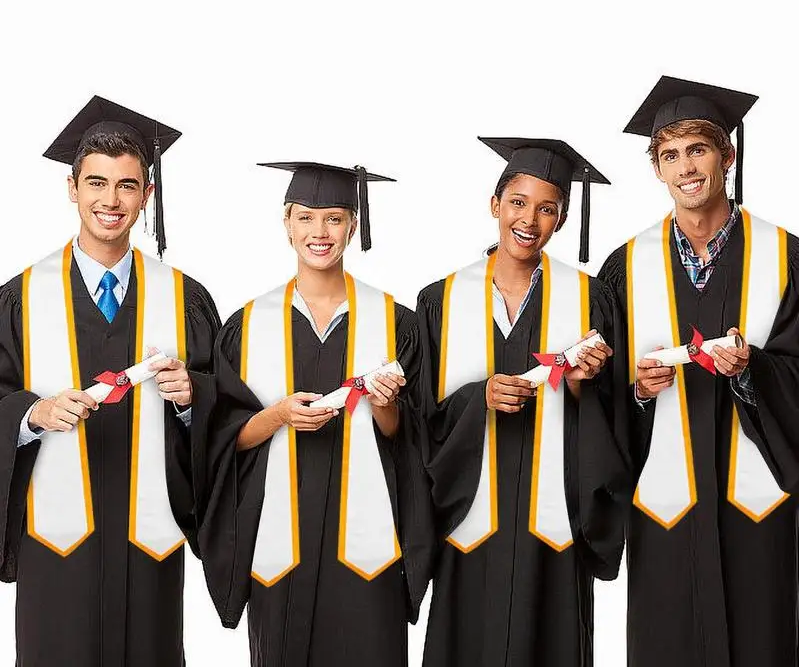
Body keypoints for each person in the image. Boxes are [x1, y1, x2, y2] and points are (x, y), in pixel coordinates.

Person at [0, 96, 220, 667]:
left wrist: (194, 399)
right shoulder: (21, 298)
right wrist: (31, 414)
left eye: (127, 185)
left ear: (147, 194)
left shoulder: (184, 298)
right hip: (55, 545)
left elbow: (229, 415)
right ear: (72, 187)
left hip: (150, 540)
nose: (110, 200)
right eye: (97, 183)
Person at [200, 161, 433, 667]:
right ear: (286, 222)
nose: (319, 232)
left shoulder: (398, 324)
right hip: (279, 548)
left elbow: (410, 441)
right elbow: (222, 438)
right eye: (306, 217)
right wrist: (279, 415)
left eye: (334, 218)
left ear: (354, 224)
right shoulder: (247, 325)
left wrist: (388, 405)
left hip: (369, 550)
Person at [600, 76, 799, 667]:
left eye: (698, 150)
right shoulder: (626, 267)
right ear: (657, 170)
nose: (685, 167)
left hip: (758, 504)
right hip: (667, 504)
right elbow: (599, 388)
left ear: (727, 156)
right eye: (669, 155)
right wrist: (636, 390)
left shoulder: (786, 256)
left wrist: (752, 372)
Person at [416, 138, 629, 666]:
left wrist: (582, 384)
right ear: (495, 204)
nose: (529, 219)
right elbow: (417, 423)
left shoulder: (589, 300)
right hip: (469, 529)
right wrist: (476, 398)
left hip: (554, 531)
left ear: (559, 219)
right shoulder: (439, 301)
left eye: (547, 208)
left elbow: (617, 421)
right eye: (517, 202)